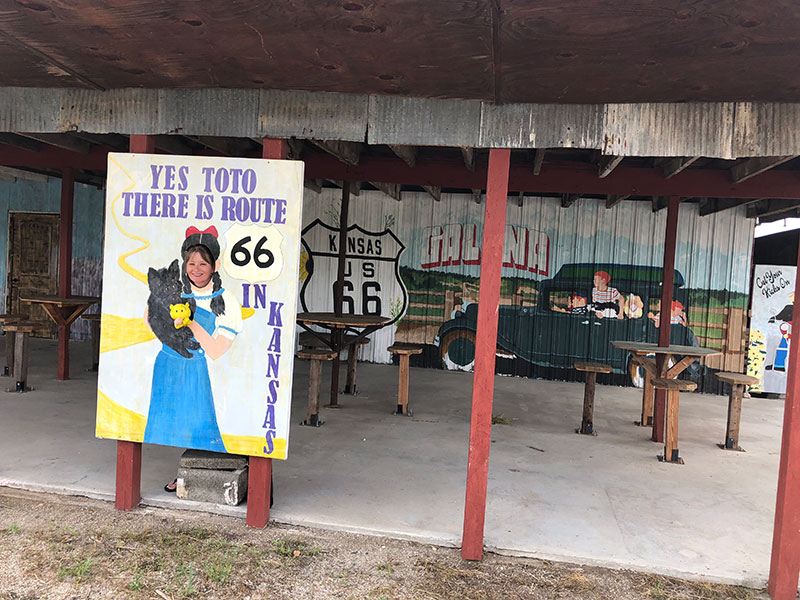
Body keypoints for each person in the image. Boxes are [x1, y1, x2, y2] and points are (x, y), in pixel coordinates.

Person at [142, 226, 243, 492]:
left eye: (203, 264)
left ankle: (203, 475)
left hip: (195, 369)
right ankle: (185, 474)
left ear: (215, 266)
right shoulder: (177, 290)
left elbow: (217, 350)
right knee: (169, 426)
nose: (196, 269)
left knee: (201, 428)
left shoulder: (226, 300)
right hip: (167, 366)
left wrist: (191, 324)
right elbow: (149, 318)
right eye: (191, 263)